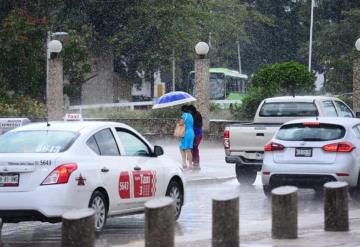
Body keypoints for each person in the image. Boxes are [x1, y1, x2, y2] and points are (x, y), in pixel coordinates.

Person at [188, 105, 203, 169]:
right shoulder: (191, 115)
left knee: (194, 148)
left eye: (189, 111)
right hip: (195, 134)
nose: (188, 112)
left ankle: (196, 163)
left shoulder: (196, 116)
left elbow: (198, 125)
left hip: (196, 135)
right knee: (192, 148)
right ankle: (194, 162)